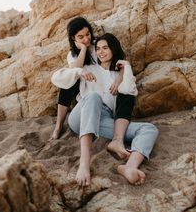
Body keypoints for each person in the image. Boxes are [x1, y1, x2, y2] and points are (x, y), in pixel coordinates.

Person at [51, 33, 158, 186]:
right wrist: (79, 71)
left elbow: (129, 91)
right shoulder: (89, 67)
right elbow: (57, 77)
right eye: (98, 49)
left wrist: (125, 68)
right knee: (94, 97)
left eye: (105, 48)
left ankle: (129, 167)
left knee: (149, 129)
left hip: (104, 119)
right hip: (81, 117)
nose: (101, 52)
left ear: (113, 49)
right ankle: (84, 162)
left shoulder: (119, 74)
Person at [51, 17, 135, 160]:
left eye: (87, 34)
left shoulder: (100, 45)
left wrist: (120, 78)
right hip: (88, 89)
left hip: (105, 89)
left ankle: (117, 134)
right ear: (73, 38)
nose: (86, 38)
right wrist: (83, 49)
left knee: (125, 94)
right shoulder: (73, 54)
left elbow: (121, 62)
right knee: (69, 82)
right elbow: (75, 70)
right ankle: (58, 126)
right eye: (81, 37)